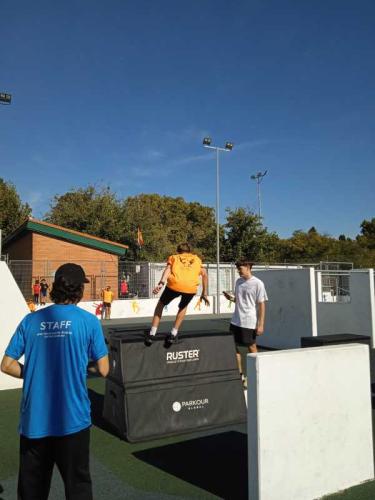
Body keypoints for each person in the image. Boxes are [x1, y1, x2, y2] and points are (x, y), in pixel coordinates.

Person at [1, 263, 109, 500]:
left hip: (34, 422)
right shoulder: (89, 322)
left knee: (31, 492)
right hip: (73, 420)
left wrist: (33, 373)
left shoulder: (31, 321)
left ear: (55, 288)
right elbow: (103, 369)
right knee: (78, 487)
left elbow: (6, 364)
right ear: (79, 290)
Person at [145, 243, 209, 347]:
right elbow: (205, 274)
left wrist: (161, 283)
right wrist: (204, 293)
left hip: (175, 285)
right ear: (190, 251)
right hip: (190, 288)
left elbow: (168, 269)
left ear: (178, 251)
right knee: (183, 307)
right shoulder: (197, 259)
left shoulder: (174, 257)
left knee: (160, 305)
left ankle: (152, 334)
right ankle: (173, 334)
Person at [223, 259, 268, 388]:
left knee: (252, 348)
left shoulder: (258, 283)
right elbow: (240, 300)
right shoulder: (238, 281)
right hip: (235, 321)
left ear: (248, 267)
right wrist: (231, 298)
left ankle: (257, 375)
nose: (238, 271)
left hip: (249, 322)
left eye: (240, 268)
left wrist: (261, 324)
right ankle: (240, 376)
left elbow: (261, 305)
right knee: (233, 347)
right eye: (237, 268)